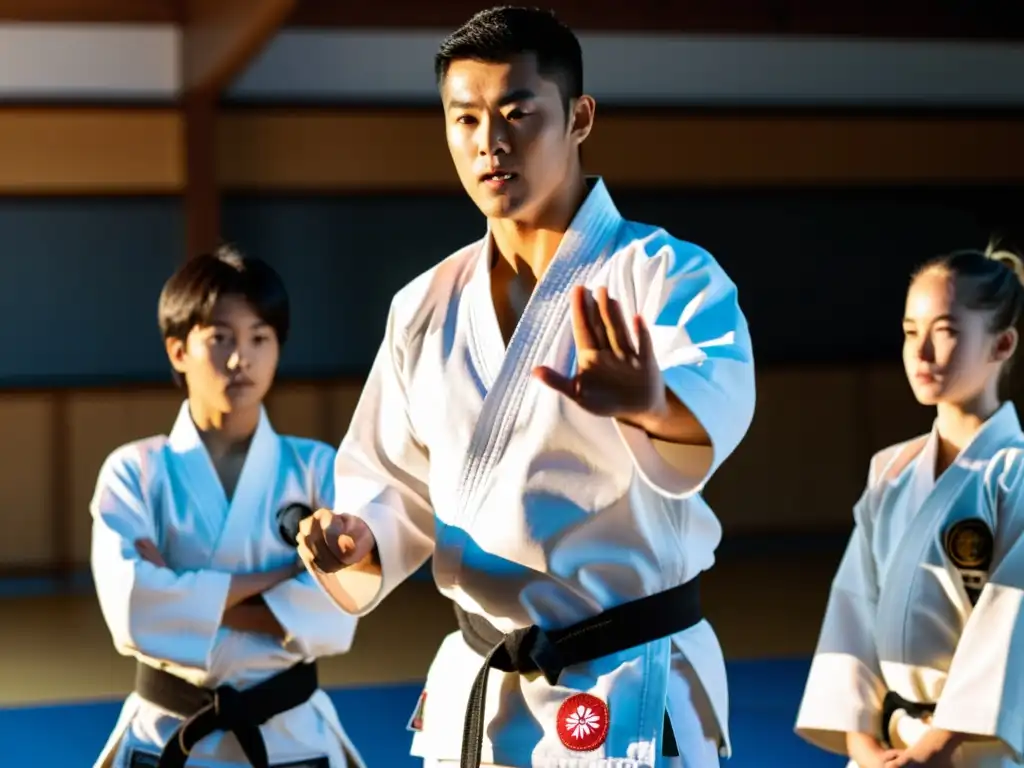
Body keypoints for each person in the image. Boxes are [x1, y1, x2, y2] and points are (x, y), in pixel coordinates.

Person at [297, 7, 755, 768]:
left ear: (580, 117)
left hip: (621, 681)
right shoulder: (423, 305)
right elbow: (393, 485)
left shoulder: (665, 274)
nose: (490, 143)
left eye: (517, 113)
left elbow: (720, 399)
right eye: (465, 119)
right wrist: (358, 537)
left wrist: (652, 404)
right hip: (482, 681)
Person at [90, 248, 365, 768]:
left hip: (290, 734)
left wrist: (179, 584)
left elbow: (337, 615)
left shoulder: (317, 467)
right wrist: (284, 576)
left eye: (260, 338)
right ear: (178, 351)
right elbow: (131, 612)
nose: (242, 359)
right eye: (220, 338)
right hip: (166, 733)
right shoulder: (134, 471)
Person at [795, 242, 1024, 768]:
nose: (920, 353)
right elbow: (852, 607)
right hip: (890, 743)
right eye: (909, 331)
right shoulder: (891, 470)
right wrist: (861, 741)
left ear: (1002, 344)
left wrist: (938, 746)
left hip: (973, 749)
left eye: (945, 332)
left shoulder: (1014, 473)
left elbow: (1009, 628)